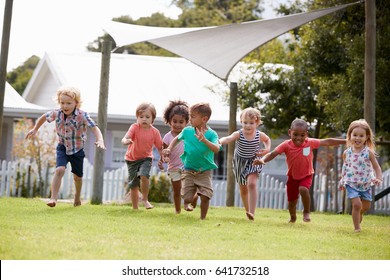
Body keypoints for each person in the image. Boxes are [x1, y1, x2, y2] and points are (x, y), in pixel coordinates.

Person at [25, 86, 106, 207]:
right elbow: (44, 117)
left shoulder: (82, 115)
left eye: (69, 103)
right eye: (62, 103)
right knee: (59, 170)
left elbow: (94, 127)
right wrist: (35, 129)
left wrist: (100, 139)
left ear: (76, 103)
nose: (65, 106)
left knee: (77, 177)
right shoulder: (56, 113)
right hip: (62, 146)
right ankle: (53, 199)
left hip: (77, 149)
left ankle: (77, 197)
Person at [254, 119, 346, 223]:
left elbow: (327, 141)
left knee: (303, 189)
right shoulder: (286, 145)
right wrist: (262, 159)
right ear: (290, 133)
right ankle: (293, 217)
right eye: (295, 134)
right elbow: (272, 154)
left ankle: (306, 211)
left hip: (307, 175)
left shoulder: (309, 143)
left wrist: (346, 141)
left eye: (302, 135)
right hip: (292, 177)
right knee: (292, 202)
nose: (299, 138)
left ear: (306, 134)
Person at [163, 103, 220, 219]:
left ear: (204, 119)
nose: (190, 119)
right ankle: (192, 198)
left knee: (205, 196)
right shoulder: (187, 131)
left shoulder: (212, 134)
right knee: (187, 198)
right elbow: (175, 140)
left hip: (204, 171)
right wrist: (169, 148)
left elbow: (217, 149)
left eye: (193, 116)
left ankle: (202, 218)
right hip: (188, 170)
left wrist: (205, 141)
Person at [219, 107, 271, 220]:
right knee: (243, 189)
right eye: (245, 122)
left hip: (253, 161)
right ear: (241, 122)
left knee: (251, 184)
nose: (248, 125)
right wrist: (220, 141)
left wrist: (267, 149)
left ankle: (252, 213)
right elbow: (228, 138)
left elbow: (267, 140)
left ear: (256, 123)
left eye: (251, 123)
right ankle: (247, 211)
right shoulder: (239, 134)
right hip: (239, 162)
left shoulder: (259, 135)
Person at [339, 119, 382, 232]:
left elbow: (377, 167)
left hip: (366, 183)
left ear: (366, 137)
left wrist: (378, 178)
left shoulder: (368, 152)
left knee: (365, 207)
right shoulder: (346, 153)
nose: (357, 138)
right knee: (357, 204)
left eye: (361, 136)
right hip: (351, 183)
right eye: (355, 135)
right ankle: (357, 228)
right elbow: (345, 167)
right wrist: (342, 181)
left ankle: (359, 213)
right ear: (350, 136)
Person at [158, 100, 198, 214]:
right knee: (176, 191)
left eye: (181, 122)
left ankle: (191, 200)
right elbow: (164, 152)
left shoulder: (189, 136)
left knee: (189, 187)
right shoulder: (167, 137)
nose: (177, 124)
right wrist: (162, 159)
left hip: (187, 167)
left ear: (187, 122)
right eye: (174, 121)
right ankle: (177, 210)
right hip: (173, 168)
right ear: (169, 121)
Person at [122, 102, 163, 210]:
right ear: (137, 118)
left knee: (144, 176)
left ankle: (145, 199)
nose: (144, 119)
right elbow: (125, 138)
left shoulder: (155, 132)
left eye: (147, 117)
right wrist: (126, 141)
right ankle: (135, 208)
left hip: (146, 158)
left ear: (152, 119)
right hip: (131, 159)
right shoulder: (135, 127)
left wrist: (163, 157)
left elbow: (160, 147)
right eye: (141, 117)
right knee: (134, 184)